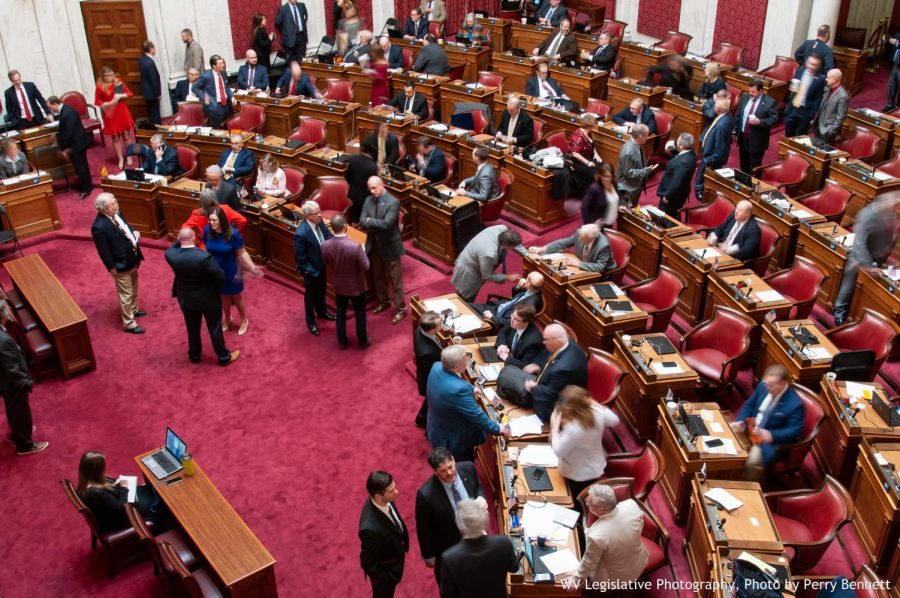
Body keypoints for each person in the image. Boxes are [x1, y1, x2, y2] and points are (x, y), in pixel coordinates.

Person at [165, 228, 240, 366]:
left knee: (192, 327)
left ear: (180, 239)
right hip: (208, 299)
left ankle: (194, 354)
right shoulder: (203, 257)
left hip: (186, 298)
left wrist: (180, 239)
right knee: (214, 328)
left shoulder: (170, 255)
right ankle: (223, 357)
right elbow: (220, 277)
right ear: (194, 238)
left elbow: (174, 246)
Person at [426, 346, 509, 461]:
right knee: (462, 466)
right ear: (457, 366)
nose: (467, 361)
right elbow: (476, 415)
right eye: (465, 360)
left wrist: (471, 388)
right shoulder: (458, 390)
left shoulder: (437, 366)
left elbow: (453, 381)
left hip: (436, 425)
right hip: (453, 438)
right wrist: (497, 428)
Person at [415, 447, 484, 584]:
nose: (449, 472)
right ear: (435, 471)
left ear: (453, 459)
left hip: (475, 538)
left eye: (450, 466)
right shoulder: (425, 495)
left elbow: (478, 486)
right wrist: (429, 555)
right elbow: (423, 529)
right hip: (448, 546)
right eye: (442, 471)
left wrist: (481, 497)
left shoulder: (468, 468)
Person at [730, 365, 805, 481]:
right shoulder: (763, 386)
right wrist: (741, 420)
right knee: (726, 439)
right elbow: (750, 404)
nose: (767, 388)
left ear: (783, 384)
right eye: (766, 384)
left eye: (771, 386)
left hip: (767, 442)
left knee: (753, 462)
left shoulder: (795, 404)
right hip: (750, 428)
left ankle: (749, 488)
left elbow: (794, 431)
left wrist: (771, 434)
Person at [833, 195, 899, 325]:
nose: (895, 209)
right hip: (860, 257)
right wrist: (868, 266)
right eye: (893, 205)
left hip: (879, 258)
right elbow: (860, 244)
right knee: (849, 285)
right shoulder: (866, 215)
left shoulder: (890, 214)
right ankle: (839, 313)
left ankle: (860, 319)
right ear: (883, 204)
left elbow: (891, 236)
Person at [572, 484, 648, 588]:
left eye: (588, 503)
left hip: (613, 579)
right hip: (639, 562)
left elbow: (589, 563)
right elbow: (640, 526)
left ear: (601, 509)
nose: (587, 504)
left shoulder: (596, 535)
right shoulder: (631, 504)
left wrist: (576, 578)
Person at [550, 385, 620, 499]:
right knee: (586, 497)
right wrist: (593, 403)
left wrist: (555, 430)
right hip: (594, 466)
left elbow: (558, 450)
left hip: (579, 473)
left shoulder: (574, 429)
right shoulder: (596, 411)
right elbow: (614, 420)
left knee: (577, 501)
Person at [91, 192, 146, 334]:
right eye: (113, 203)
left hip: (132, 258)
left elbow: (126, 227)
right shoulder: (99, 227)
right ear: (104, 209)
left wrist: (134, 233)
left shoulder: (117, 214)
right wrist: (111, 267)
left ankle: (133, 310)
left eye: (115, 201)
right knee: (125, 294)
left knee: (134, 287)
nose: (117, 204)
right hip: (120, 264)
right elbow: (104, 251)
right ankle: (129, 323)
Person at [440, 498, 517, 598]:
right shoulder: (503, 543)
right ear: (484, 520)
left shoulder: (449, 558)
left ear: (459, 525)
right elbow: (514, 568)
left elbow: (447, 595)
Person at [0, 299, 48, 456]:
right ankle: (25, 446)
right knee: (20, 411)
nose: (9, 312)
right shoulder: (4, 341)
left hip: (5, 382)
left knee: (15, 410)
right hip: (12, 383)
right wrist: (26, 382)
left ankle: (17, 435)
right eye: (6, 309)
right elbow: (11, 369)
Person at [204, 208, 262, 336]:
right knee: (223, 296)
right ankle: (227, 318)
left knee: (236, 296)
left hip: (231, 271)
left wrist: (251, 266)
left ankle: (244, 320)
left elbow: (242, 252)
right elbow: (207, 249)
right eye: (210, 220)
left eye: (214, 220)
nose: (211, 222)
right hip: (215, 270)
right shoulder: (207, 230)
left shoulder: (233, 234)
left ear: (222, 220)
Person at [77, 451, 162, 532]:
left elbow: (110, 483)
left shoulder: (86, 481)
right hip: (121, 517)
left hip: (118, 502)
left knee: (149, 490)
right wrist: (124, 488)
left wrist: (120, 483)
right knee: (158, 501)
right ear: (96, 471)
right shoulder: (96, 494)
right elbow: (119, 507)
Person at [360, 177, 406, 323]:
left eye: (374, 188)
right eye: (370, 188)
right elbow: (362, 222)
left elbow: (387, 224)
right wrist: (368, 222)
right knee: (378, 276)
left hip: (390, 246)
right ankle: (384, 301)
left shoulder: (393, 202)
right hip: (374, 246)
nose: (372, 191)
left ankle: (401, 309)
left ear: (382, 185)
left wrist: (370, 221)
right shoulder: (368, 200)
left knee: (395, 280)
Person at [321, 214, 370, 349]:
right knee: (360, 312)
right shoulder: (356, 247)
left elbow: (326, 262)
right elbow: (365, 267)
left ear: (332, 227)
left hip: (339, 284)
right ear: (345, 227)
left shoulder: (325, 245)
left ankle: (342, 342)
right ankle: (362, 341)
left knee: (340, 312)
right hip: (356, 285)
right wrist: (363, 252)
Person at [522, 323, 588, 422]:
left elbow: (551, 395)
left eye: (545, 340)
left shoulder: (563, 368)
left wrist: (533, 388)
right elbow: (549, 359)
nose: (543, 342)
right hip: (549, 385)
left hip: (556, 409)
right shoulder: (566, 342)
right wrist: (538, 366)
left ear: (555, 341)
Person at [359, 470, 409, 598]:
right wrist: (385, 579)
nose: (396, 492)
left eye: (394, 487)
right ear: (377, 496)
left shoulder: (383, 498)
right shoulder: (370, 530)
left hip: (394, 558)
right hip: (387, 575)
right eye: (391, 491)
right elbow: (368, 563)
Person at [451, 225, 526, 302]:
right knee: (464, 301)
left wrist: (527, 254)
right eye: (513, 247)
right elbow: (487, 276)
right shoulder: (489, 254)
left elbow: (513, 242)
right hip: (469, 273)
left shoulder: (503, 229)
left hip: (476, 259)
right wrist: (507, 277)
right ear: (505, 245)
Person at [294, 200, 336, 336]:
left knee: (321, 290)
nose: (320, 215)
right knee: (310, 297)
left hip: (322, 264)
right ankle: (311, 322)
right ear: (307, 216)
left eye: (320, 211)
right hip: (311, 270)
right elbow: (299, 257)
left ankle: (322, 312)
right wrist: (307, 270)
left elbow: (328, 236)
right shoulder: (301, 233)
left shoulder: (319, 221)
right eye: (316, 213)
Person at [47, 96, 93, 199]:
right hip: (78, 142)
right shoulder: (66, 110)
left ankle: (87, 189)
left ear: (55, 104)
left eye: (51, 107)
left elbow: (67, 133)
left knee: (80, 168)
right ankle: (88, 186)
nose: (51, 110)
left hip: (78, 144)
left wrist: (58, 140)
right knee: (82, 166)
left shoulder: (67, 114)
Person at [529, 223, 616, 274]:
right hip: (583, 263)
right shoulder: (580, 233)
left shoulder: (603, 246)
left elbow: (600, 267)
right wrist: (542, 249)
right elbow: (563, 243)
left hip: (603, 273)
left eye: (582, 238)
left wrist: (578, 264)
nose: (579, 239)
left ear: (592, 238)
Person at [95, 66, 135, 172]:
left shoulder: (118, 82)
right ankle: (121, 158)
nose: (111, 77)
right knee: (115, 137)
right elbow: (97, 101)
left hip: (121, 111)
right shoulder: (99, 86)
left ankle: (129, 155)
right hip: (110, 114)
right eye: (108, 76)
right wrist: (108, 103)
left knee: (126, 135)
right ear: (103, 76)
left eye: (112, 74)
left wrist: (121, 96)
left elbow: (129, 93)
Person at [734, 80, 779, 174]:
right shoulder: (745, 98)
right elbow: (739, 115)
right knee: (743, 163)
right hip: (743, 138)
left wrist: (760, 122)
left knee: (754, 167)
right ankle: (744, 183)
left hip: (757, 140)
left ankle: (754, 185)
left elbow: (774, 118)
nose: (750, 93)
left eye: (753, 92)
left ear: (761, 91)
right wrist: (735, 130)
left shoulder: (770, 102)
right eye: (749, 91)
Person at [695, 95, 734, 201]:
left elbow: (720, 147)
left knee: (701, 180)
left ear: (717, 109)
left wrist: (708, 160)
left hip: (711, 159)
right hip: (710, 156)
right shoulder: (727, 115)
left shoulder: (722, 124)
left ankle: (702, 198)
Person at [471, 271, 545, 327]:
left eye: (527, 279)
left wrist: (492, 317)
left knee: (468, 308)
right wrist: (519, 286)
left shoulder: (530, 304)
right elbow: (514, 298)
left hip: (498, 317)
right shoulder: (532, 289)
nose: (524, 279)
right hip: (496, 307)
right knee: (466, 306)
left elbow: (511, 323)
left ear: (529, 284)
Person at [182, 188, 247, 249]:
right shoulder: (225, 208)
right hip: (225, 242)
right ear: (214, 198)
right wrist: (231, 233)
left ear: (201, 202)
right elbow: (243, 220)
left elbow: (184, 228)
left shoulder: (197, 213)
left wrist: (196, 238)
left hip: (207, 245)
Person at [656, 132, 697, 219]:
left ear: (682, 146)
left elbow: (676, 182)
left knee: (666, 218)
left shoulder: (684, 163)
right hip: (677, 194)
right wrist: (674, 149)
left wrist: (667, 197)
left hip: (672, 197)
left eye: (677, 142)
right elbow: (679, 156)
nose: (676, 143)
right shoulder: (691, 154)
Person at [784, 54, 825, 138]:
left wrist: (811, 114)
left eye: (814, 65)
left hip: (805, 113)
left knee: (800, 138)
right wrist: (791, 89)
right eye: (809, 63)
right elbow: (793, 85)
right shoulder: (800, 70)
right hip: (792, 108)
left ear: (818, 66)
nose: (810, 66)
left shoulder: (820, 79)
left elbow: (818, 99)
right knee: (788, 135)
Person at [414, 311, 443, 429]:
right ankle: (422, 422)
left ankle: (420, 420)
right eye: (440, 324)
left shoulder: (420, 330)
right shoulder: (428, 353)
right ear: (432, 329)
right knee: (431, 402)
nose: (442, 326)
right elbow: (432, 373)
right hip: (430, 381)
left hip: (426, 371)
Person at [616, 123, 656, 207]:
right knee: (625, 213)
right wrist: (646, 171)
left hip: (635, 186)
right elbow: (627, 173)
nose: (647, 137)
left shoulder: (638, 144)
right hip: (627, 189)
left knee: (632, 208)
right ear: (640, 136)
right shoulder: (628, 151)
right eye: (647, 135)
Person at [493, 303, 544, 368]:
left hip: (515, 368)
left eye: (516, 319)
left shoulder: (534, 341)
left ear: (526, 322)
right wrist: (502, 345)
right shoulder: (513, 321)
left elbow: (526, 365)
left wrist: (506, 358)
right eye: (512, 316)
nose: (512, 320)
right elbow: (502, 332)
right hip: (506, 357)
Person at [195, 55, 237, 129]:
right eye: (220, 64)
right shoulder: (206, 76)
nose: (223, 65)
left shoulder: (223, 73)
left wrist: (232, 97)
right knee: (217, 130)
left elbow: (226, 87)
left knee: (229, 127)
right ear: (214, 66)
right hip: (215, 107)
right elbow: (195, 88)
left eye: (222, 63)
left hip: (226, 105)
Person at [346, 138, 379, 224]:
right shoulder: (372, 166)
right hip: (367, 201)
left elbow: (347, 178)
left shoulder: (352, 159)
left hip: (353, 197)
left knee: (355, 222)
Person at [568, 113, 601, 195]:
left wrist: (596, 154)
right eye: (594, 124)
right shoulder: (579, 137)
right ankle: (586, 194)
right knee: (593, 173)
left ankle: (596, 193)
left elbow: (592, 144)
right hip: (576, 160)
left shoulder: (588, 132)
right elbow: (575, 153)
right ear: (590, 126)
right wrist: (588, 162)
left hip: (586, 157)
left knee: (601, 166)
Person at [813, 69, 849, 144]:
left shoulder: (843, 96)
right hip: (818, 125)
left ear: (834, 79)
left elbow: (841, 117)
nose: (826, 79)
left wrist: (831, 131)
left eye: (828, 77)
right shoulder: (829, 88)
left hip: (827, 129)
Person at [582, 162, 619, 227]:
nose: (606, 179)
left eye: (609, 176)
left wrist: (619, 207)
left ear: (612, 176)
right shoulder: (594, 188)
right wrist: (590, 224)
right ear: (600, 176)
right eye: (604, 176)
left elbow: (615, 198)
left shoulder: (614, 184)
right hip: (597, 225)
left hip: (609, 222)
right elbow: (584, 207)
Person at [139, 41, 162, 125]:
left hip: (146, 92)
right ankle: (157, 129)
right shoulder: (150, 62)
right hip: (152, 93)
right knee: (155, 113)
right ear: (151, 49)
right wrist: (158, 94)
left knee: (151, 111)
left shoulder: (142, 59)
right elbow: (153, 80)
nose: (155, 50)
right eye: (154, 48)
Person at [884, 32, 900, 112]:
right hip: (896, 63)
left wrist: (897, 42)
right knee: (892, 84)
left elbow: (897, 43)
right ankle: (890, 104)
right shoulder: (897, 34)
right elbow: (889, 47)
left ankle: (898, 106)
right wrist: (886, 40)